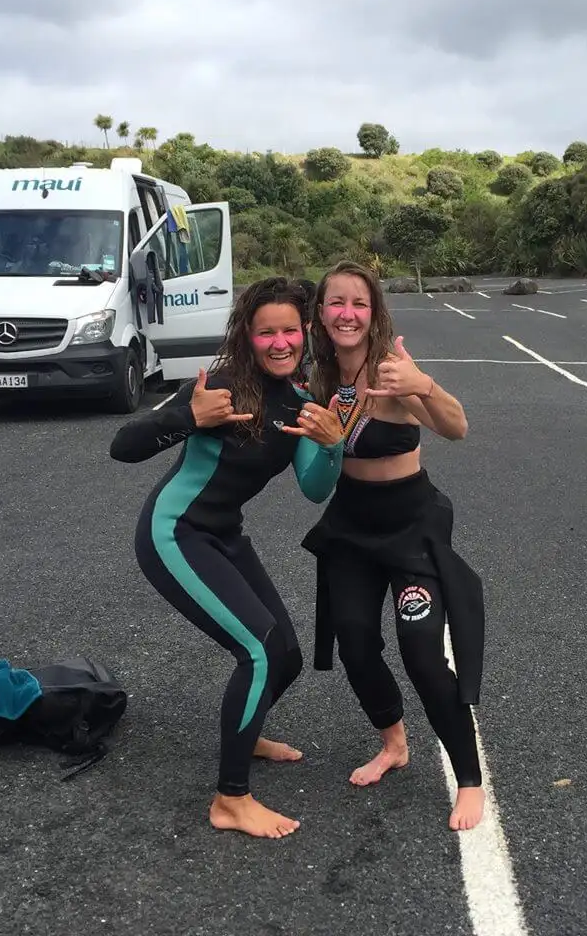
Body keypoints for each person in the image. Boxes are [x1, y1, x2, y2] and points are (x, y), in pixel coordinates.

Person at [110, 277, 344, 839]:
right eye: (268, 332)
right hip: (175, 532)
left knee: (284, 655)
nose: (281, 342)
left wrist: (331, 443)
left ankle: (247, 729)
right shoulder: (217, 387)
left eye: (290, 329)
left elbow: (314, 488)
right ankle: (230, 799)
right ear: (248, 335)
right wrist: (189, 419)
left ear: (305, 331)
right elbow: (124, 447)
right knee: (260, 650)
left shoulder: (301, 402)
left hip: (224, 534)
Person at [301, 260, 487, 831]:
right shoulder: (317, 379)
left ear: (374, 312)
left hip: (411, 523)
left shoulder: (394, 371)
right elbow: (313, 482)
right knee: (355, 642)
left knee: (422, 652)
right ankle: (394, 742)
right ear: (322, 313)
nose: (347, 313)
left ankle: (470, 779)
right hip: (352, 526)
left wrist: (423, 385)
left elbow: (457, 428)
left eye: (359, 303)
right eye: (336, 302)